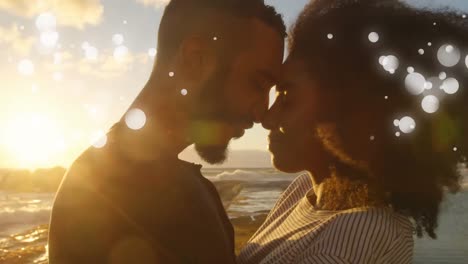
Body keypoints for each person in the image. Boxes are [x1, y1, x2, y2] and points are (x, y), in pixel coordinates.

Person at [48, 0, 286, 263]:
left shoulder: (97, 175)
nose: (262, 113)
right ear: (196, 59)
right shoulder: (150, 199)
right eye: (258, 83)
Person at [238, 0, 468, 263]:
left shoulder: (358, 235)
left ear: (347, 113)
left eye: (287, 98)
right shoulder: (307, 190)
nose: (267, 118)